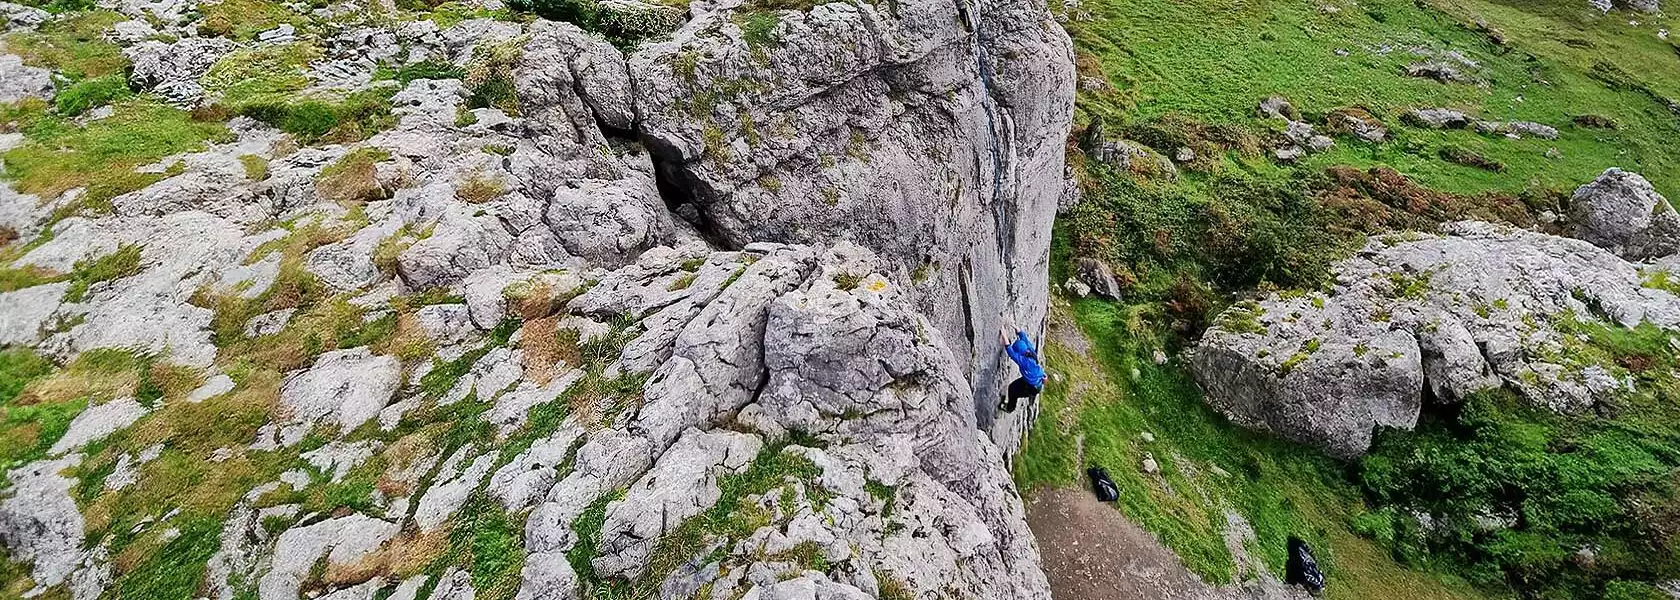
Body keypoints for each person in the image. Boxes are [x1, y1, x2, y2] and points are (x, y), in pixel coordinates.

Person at [999, 328, 1045, 413]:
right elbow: (1024, 338)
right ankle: (1009, 406)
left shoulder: (1024, 361)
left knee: (1013, 390)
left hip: (1032, 388)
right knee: (1013, 387)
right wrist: (1018, 330)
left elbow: (1012, 354)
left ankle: (1009, 408)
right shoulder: (1030, 350)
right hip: (1036, 380)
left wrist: (1005, 336)